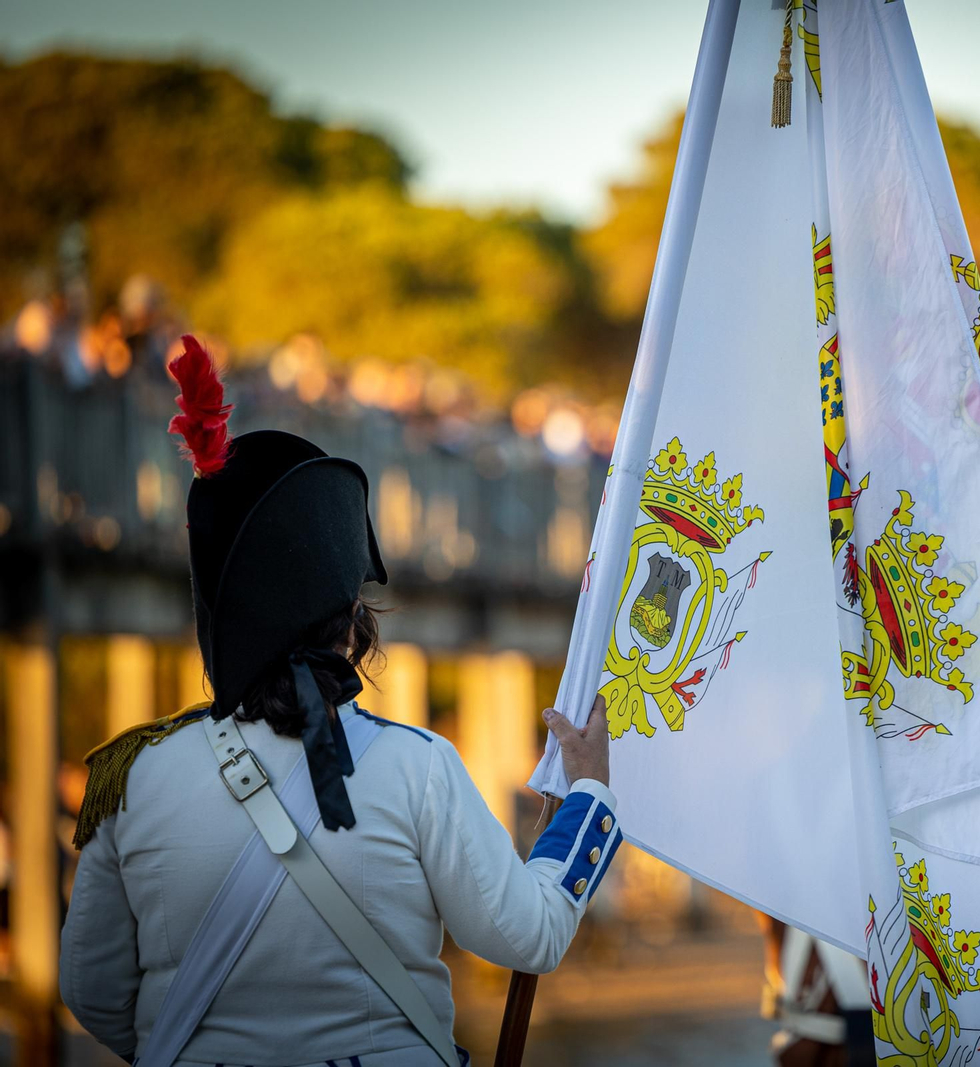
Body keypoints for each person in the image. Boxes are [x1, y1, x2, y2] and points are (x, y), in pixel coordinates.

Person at [59, 336, 617, 1066]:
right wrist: (588, 793)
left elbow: (91, 990)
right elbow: (532, 935)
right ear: (352, 623)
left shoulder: (125, 779)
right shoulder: (419, 766)